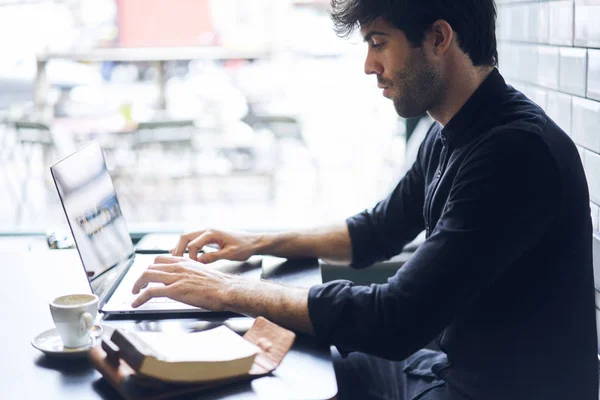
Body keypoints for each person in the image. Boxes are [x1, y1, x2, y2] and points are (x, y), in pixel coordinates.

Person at [130, 1, 599, 399]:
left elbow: (395, 319)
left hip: (489, 391)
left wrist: (228, 292)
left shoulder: (513, 153)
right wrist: (256, 243)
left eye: (378, 42)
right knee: (290, 351)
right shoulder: (453, 132)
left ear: (439, 38)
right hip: (450, 369)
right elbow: (375, 231)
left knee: (289, 368)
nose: (369, 65)